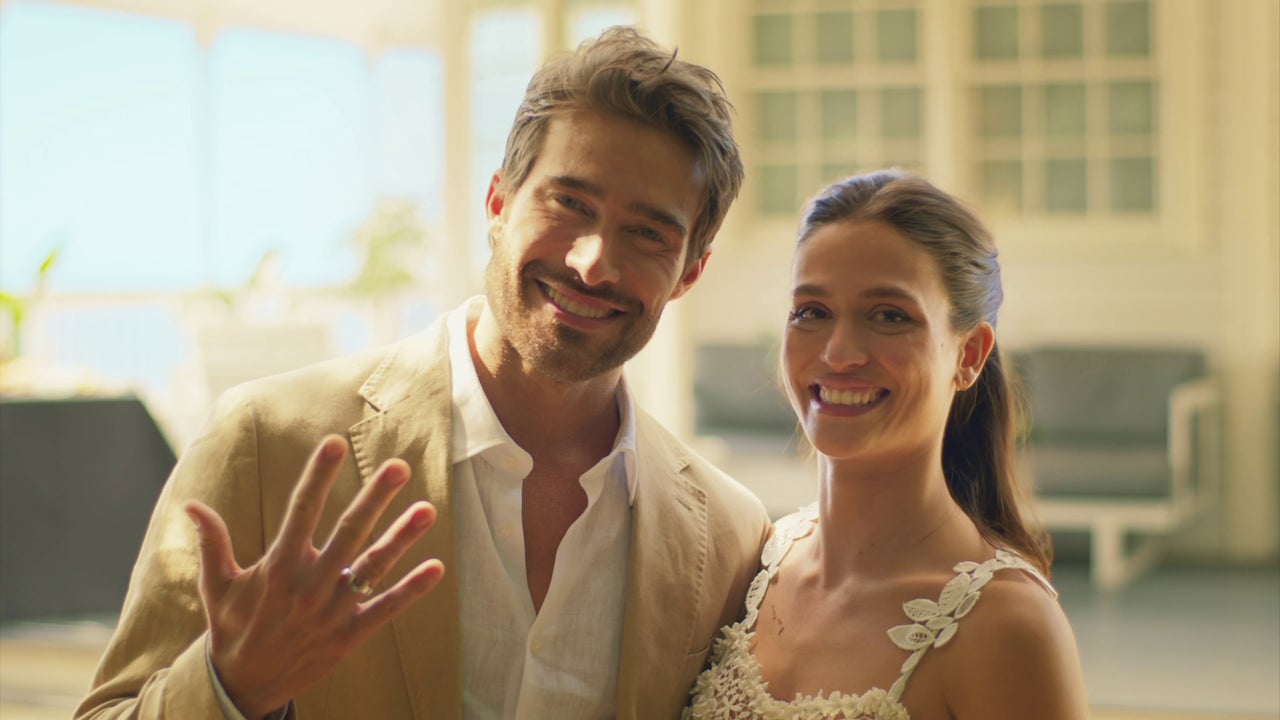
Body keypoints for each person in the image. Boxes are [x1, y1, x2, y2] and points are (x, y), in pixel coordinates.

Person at [78, 27, 770, 720]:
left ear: (690, 272)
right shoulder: (267, 445)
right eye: (569, 204)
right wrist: (230, 689)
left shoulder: (731, 536)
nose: (593, 262)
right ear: (498, 206)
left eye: (648, 233)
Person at [685, 170, 1089, 719]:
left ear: (969, 355)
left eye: (890, 316)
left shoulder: (1006, 625)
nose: (839, 352)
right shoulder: (755, 564)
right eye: (812, 312)